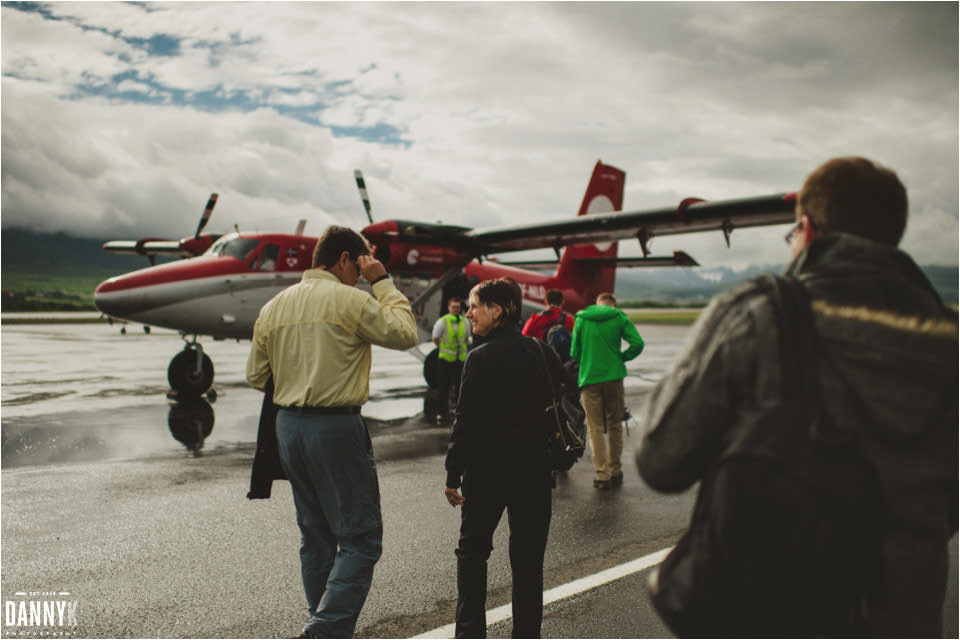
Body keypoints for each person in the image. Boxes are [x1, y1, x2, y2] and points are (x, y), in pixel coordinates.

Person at [636, 157, 958, 636]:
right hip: (905, 615)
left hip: (772, 610)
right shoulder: (948, 343)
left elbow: (661, 459)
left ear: (806, 229)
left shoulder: (764, 311)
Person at [246, 225, 418, 639]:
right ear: (344, 259)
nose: (360, 276)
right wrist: (382, 281)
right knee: (361, 539)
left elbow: (256, 375)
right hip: (336, 426)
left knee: (315, 536)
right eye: (359, 268)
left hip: (287, 429)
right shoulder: (351, 300)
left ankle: (321, 620)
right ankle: (324, 630)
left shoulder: (274, 306)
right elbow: (405, 333)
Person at [444, 278, 572, 639]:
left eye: (474, 305)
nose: (469, 312)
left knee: (472, 555)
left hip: (486, 475)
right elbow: (567, 390)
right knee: (528, 562)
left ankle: (470, 635)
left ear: (498, 310)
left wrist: (453, 474)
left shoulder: (480, 358)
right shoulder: (541, 350)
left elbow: (465, 422)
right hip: (534, 472)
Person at [570, 292, 644, 489]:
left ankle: (602, 475)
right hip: (613, 377)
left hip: (589, 378)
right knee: (614, 424)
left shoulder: (582, 318)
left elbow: (574, 352)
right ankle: (615, 470)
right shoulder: (619, 317)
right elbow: (638, 344)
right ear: (612, 304)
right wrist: (621, 357)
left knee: (594, 427)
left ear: (597, 303)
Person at [432, 297, 471, 421]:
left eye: (458, 307)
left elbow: (467, 338)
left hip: (460, 359)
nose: (456, 309)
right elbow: (435, 338)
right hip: (446, 359)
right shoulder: (442, 322)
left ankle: (460, 413)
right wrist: (443, 348)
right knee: (444, 387)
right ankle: (441, 412)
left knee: (461, 387)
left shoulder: (465, 322)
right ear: (449, 308)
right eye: (453, 307)